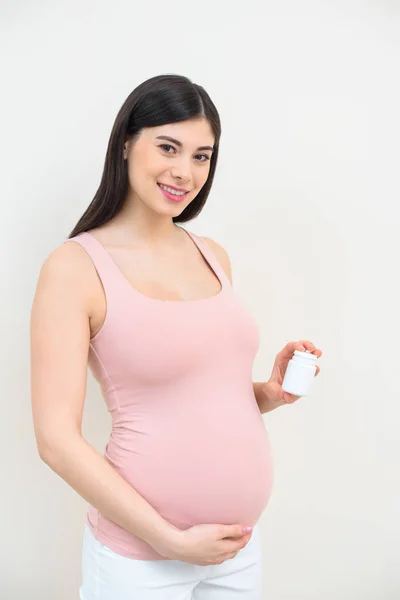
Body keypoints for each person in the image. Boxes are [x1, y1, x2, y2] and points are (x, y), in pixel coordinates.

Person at [30, 73, 322, 599]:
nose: (184, 172)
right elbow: (56, 441)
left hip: (235, 550)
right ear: (126, 144)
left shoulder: (211, 253)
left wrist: (267, 395)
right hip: (140, 560)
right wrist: (169, 539)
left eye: (201, 156)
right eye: (168, 147)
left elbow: (197, 394)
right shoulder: (75, 268)